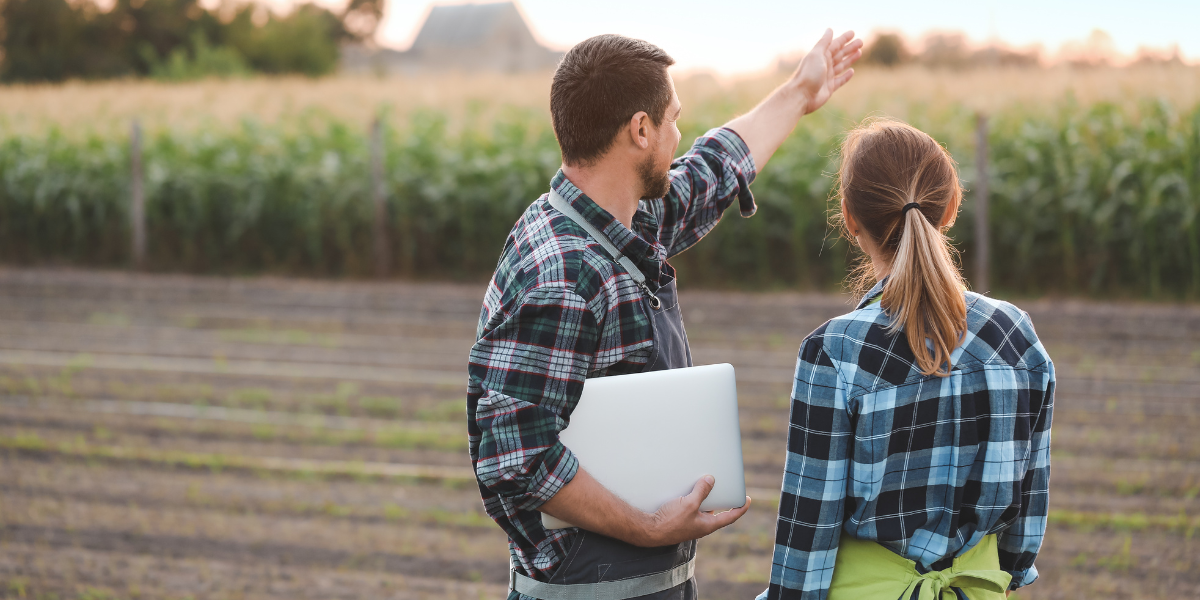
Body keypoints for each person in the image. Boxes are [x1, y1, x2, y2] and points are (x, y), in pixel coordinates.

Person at [468, 30, 863, 600]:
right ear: (640, 129)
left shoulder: (620, 220)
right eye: (674, 120)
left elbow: (713, 170)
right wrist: (649, 528)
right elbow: (516, 455)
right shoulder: (562, 272)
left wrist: (799, 93)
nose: (680, 135)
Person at [760, 119, 1055, 600]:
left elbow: (806, 543)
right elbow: (1022, 535)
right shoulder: (1017, 336)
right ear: (951, 208)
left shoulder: (834, 352)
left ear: (850, 218)